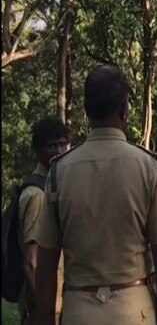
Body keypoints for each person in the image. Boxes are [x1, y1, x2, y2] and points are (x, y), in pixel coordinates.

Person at [32, 65, 157, 325]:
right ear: (125, 110)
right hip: (135, 313)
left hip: (79, 313)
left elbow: (45, 269)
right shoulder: (148, 167)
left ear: (87, 111)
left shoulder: (59, 173)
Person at [17, 116, 69, 325]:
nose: (58, 151)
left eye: (62, 143)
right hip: (49, 309)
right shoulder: (37, 194)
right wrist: (41, 311)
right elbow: (32, 262)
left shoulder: (53, 185)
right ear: (38, 150)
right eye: (51, 145)